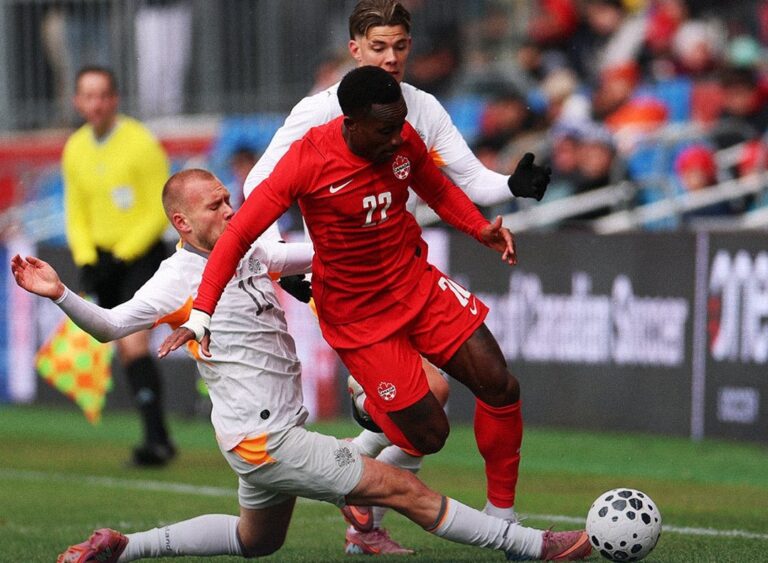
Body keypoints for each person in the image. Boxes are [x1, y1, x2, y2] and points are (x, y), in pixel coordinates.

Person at [12, 169, 592, 563]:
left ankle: (124, 546)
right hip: (265, 441)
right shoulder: (176, 280)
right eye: (216, 205)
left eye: (228, 198)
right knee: (401, 489)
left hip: (263, 434)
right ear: (183, 224)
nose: (231, 209)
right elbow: (112, 325)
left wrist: (383, 223)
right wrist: (61, 293)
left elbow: (320, 253)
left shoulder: (252, 249)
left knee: (256, 541)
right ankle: (533, 546)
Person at [160, 65, 542, 556]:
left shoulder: (401, 137)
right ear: (352, 122)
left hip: (415, 283)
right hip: (360, 317)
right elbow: (237, 236)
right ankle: (367, 414)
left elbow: (439, 189)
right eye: (385, 128)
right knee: (429, 435)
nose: (397, 136)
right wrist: (201, 312)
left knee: (499, 382)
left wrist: (479, 229)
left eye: (401, 123)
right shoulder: (308, 158)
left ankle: (504, 520)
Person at [241, 1, 550, 552]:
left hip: (405, 273)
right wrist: (291, 260)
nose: (391, 59)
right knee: (426, 403)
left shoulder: (420, 108)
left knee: (488, 385)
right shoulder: (316, 113)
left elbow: (466, 181)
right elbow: (257, 190)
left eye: (400, 47)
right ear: (354, 49)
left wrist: (512, 186)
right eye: (378, 47)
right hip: (338, 287)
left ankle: (492, 514)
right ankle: (361, 459)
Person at [62, 65, 175, 467]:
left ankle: (156, 441)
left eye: (101, 95)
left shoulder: (140, 143)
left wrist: (123, 254)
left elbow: (157, 210)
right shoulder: (74, 147)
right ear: (78, 101)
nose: (94, 104)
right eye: (87, 96)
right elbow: (76, 210)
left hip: (139, 256)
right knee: (127, 351)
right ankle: (158, 436)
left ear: (115, 99)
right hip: (104, 260)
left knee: (133, 342)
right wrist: (87, 259)